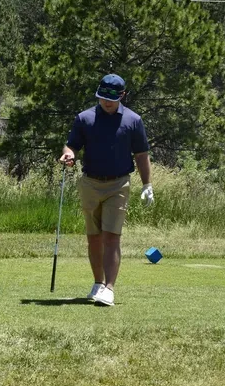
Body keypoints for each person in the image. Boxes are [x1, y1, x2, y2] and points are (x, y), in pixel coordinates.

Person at [59, 74, 154, 306]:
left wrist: (147, 184)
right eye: (102, 98)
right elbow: (72, 145)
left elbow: (141, 155)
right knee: (94, 238)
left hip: (118, 184)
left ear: (122, 96)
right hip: (90, 183)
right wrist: (69, 154)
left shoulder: (133, 120)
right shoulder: (84, 118)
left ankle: (109, 288)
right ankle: (98, 283)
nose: (106, 102)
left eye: (111, 99)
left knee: (111, 236)